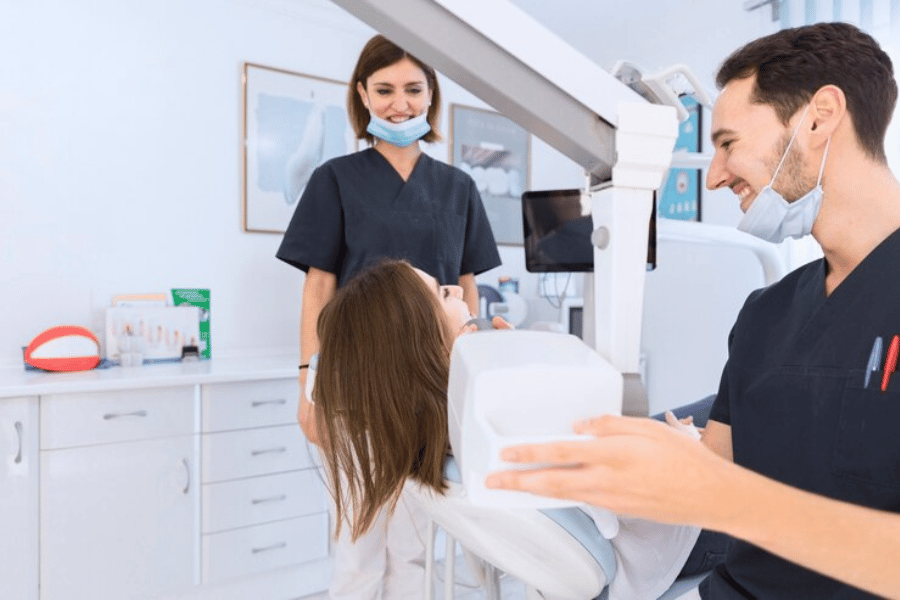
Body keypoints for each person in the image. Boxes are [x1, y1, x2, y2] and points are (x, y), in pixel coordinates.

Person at [485, 22, 900, 600]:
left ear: (820, 116)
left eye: (728, 142)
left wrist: (718, 494)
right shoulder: (765, 314)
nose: (716, 175)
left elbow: (715, 492)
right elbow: (701, 478)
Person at [311, 259, 706, 600]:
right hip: (670, 537)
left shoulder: (444, 427)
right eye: (441, 294)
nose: (454, 287)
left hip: (633, 502)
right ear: (420, 342)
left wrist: (507, 366)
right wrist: (687, 444)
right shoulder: (505, 414)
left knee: (724, 404)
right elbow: (617, 498)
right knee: (735, 402)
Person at [276, 33, 501, 600]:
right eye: (384, 90)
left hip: (429, 389)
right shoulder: (335, 179)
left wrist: (472, 377)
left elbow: (468, 287)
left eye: (412, 89)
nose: (399, 103)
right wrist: (310, 382)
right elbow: (319, 286)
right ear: (363, 94)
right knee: (357, 549)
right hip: (356, 386)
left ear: (431, 95)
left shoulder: (458, 188)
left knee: (417, 551)